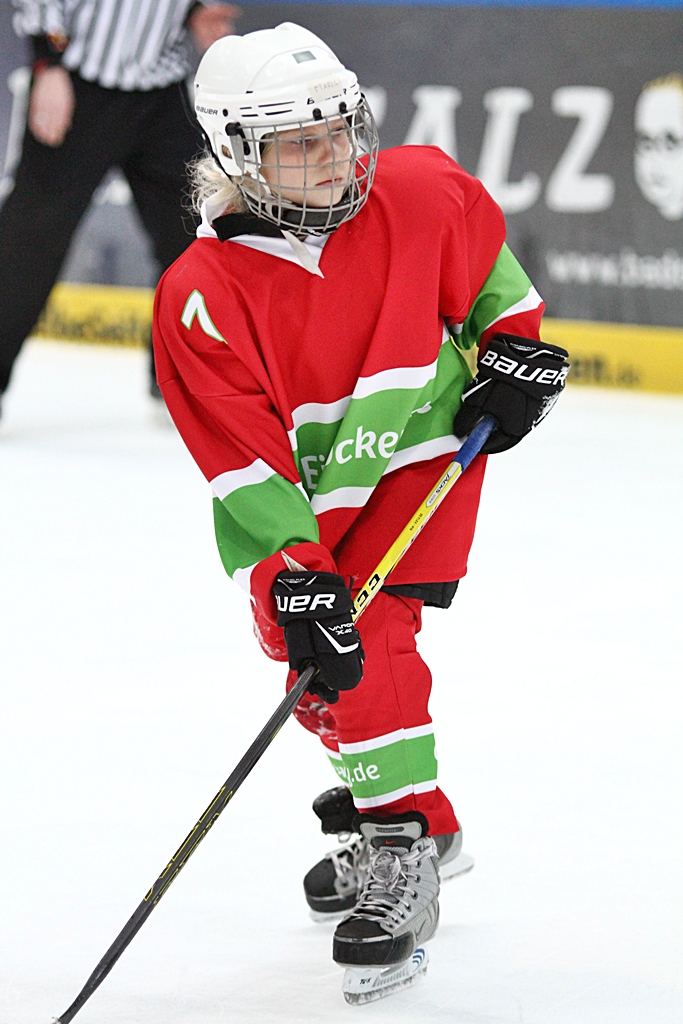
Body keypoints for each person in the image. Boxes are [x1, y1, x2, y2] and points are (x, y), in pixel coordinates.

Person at [152, 23, 569, 1002]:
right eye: (300, 143)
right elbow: (244, 468)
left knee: (370, 643)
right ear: (236, 154)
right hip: (313, 507)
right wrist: (289, 574)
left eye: (339, 129)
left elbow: (495, 291)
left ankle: (399, 842)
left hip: (422, 464)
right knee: (319, 672)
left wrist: (516, 352)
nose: (334, 155)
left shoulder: (416, 192)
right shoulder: (201, 298)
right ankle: (426, 818)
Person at [0, 0, 240, 417]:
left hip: (161, 85)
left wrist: (194, 9)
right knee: (28, 245)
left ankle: (180, 382)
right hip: (78, 75)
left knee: (196, 239)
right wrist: (48, 63)